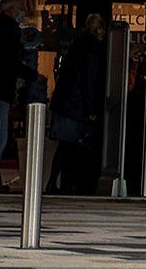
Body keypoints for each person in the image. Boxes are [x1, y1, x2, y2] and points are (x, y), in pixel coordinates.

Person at [0, 0, 42, 192]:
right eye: (20, 8)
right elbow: (11, 62)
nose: (22, 12)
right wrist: (33, 76)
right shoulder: (11, 31)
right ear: (12, 9)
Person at [46, 13, 108, 195]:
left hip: (66, 103)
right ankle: (63, 184)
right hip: (75, 106)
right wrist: (91, 109)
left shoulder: (78, 45)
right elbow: (90, 79)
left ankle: (57, 183)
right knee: (70, 146)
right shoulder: (93, 49)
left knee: (65, 146)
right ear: (100, 29)